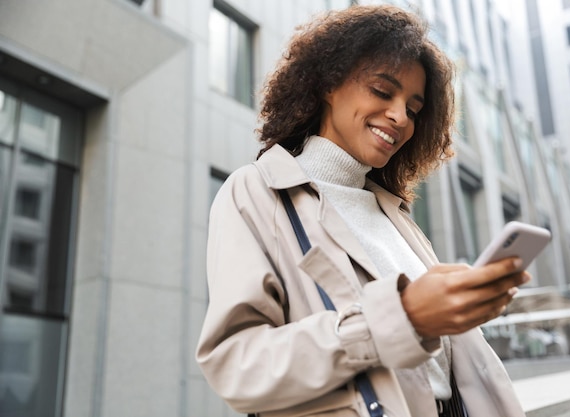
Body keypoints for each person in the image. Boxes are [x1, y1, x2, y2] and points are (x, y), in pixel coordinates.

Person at [196, 5, 528, 417]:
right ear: (327, 84)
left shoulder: (395, 216)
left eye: (414, 107)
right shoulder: (256, 192)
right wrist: (403, 317)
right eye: (382, 91)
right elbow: (237, 365)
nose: (400, 116)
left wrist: (462, 303)